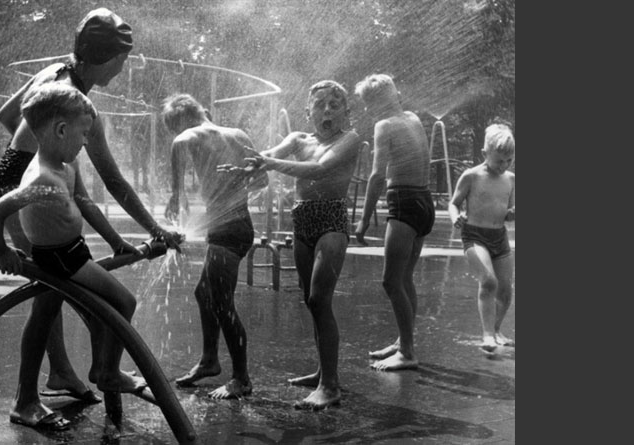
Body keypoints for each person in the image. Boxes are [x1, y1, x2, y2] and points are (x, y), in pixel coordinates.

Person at [0, 8, 179, 406]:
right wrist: (156, 230)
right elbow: (114, 181)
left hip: (13, 180)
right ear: (108, 57)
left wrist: (44, 151)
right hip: (25, 193)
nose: (123, 69)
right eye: (123, 59)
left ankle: (61, 370)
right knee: (50, 292)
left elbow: (8, 116)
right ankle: (27, 398)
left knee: (54, 291)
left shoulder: (55, 73)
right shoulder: (73, 102)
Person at [0, 83, 139, 429]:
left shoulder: (65, 167)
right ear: (60, 130)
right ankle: (108, 371)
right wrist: (3, 251)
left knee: (55, 317)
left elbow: (85, 203)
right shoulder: (42, 179)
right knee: (123, 303)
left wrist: (117, 242)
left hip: (71, 251)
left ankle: (89, 372)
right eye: (83, 133)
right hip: (61, 260)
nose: (85, 142)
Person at [227, 80, 361, 410]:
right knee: (311, 301)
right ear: (308, 111)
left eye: (334, 105)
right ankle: (322, 372)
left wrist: (270, 164)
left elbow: (320, 169)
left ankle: (330, 387)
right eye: (320, 104)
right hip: (302, 221)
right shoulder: (298, 139)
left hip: (331, 220)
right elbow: (269, 154)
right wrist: (249, 164)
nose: (327, 110)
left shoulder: (349, 139)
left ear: (346, 112)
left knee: (319, 299)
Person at [160, 94, 268, 399]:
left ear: (178, 123)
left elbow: (177, 198)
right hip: (240, 223)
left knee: (222, 304)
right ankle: (209, 361)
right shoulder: (239, 135)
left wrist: (175, 206)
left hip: (226, 230)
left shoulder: (184, 138)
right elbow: (262, 181)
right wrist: (234, 188)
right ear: (203, 111)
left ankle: (241, 378)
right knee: (204, 293)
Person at [353, 74, 435, 372]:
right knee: (405, 278)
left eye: (367, 102)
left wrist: (363, 220)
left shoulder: (383, 125)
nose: (366, 109)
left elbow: (377, 175)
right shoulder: (413, 118)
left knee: (391, 281)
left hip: (404, 204)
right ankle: (404, 342)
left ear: (376, 102)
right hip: (424, 202)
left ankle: (408, 353)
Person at [448, 123, 515, 352]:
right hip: (475, 236)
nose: (503, 166)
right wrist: (455, 217)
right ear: (485, 153)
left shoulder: (511, 179)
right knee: (489, 282)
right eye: (499, 161)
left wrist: (511, 214)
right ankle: (487, 335)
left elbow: (508, 211)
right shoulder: (472, 176)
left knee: (506, 291)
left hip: (499, 237)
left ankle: (495, 329)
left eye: (509, 160)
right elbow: (454, 203)